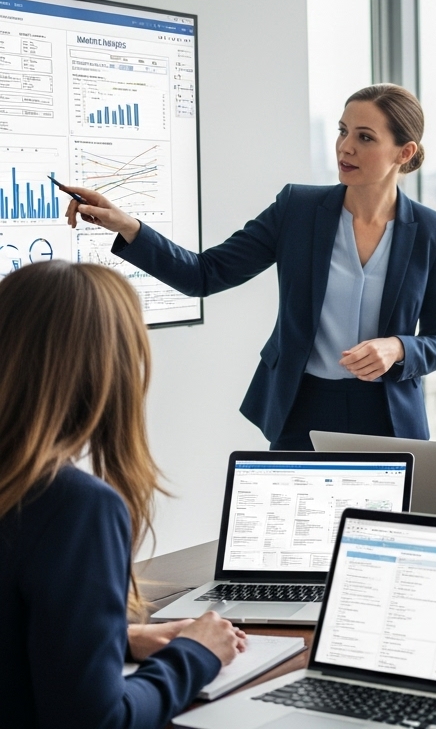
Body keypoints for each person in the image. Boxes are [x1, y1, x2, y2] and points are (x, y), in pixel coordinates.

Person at [63, 84, 436, 450]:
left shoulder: (432, 232)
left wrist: (398, 347)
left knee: (379, 528)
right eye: (342, 131)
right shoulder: (297, 210)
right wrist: (127, 226)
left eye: (364, 137)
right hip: (302, 409)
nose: (345, 147)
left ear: (403, 153)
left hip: (387, 417)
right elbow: (204, 274)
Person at [0, 261, 246, 728]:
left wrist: (118, 638)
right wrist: (196, 654)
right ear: (108, 370)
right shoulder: (74, 506)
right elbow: (98, 721)